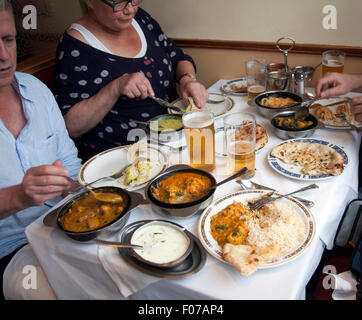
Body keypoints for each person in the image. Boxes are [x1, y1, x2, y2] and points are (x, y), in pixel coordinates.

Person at [55, 0, 209, 161]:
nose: (130, 9)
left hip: (173, 141)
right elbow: (70, 126)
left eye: (134, 0)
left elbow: (178, 57)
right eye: (119, 2)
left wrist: (187, 80)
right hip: (126, 158)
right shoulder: (74, 46)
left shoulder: (140, 19)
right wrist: (115, 88)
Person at [0, 1, 82, 299]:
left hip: (65, 228)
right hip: (12, 250)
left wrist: (75, 187)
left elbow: (71, 167)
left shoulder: (34, 88)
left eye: (8, 40)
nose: (3, 56)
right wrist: (18, 195)